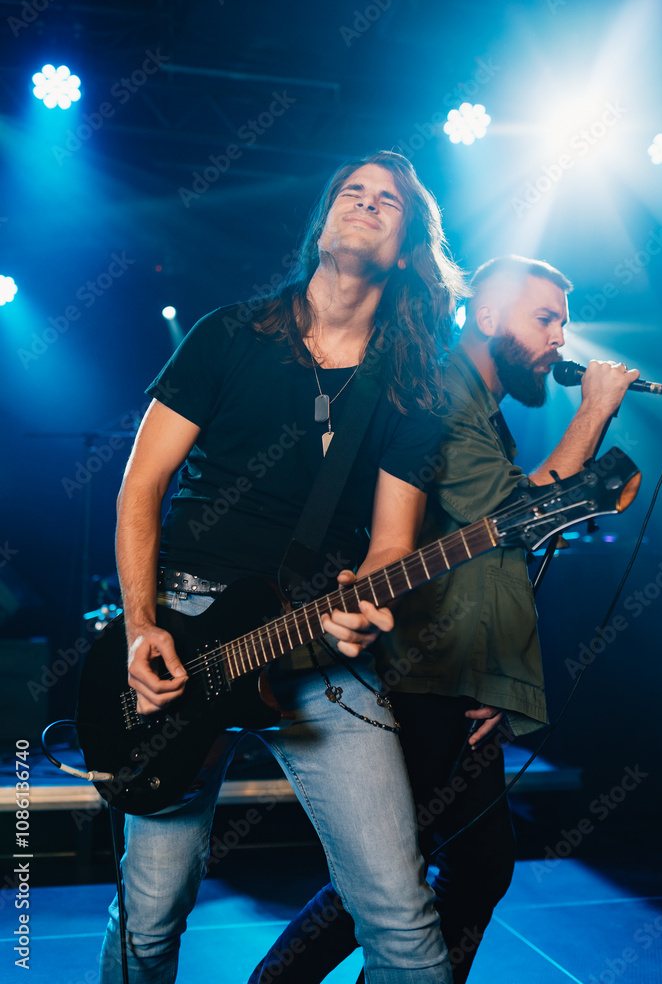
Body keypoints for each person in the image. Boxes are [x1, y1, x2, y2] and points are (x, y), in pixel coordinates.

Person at [99, 150, 470, 984]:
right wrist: (138, 628)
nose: (367, 204)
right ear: (322, 220)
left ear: (410, 243)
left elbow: (390, 543)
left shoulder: (414, 380)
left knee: (399, 911)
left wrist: (366, 602)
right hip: (190, 634)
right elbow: (140, 488)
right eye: (352, 191)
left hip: (314, 649)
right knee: (151, 916)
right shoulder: (230, 334)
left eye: (389, 202)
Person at [248, 254, 640, 984]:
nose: (561, 339)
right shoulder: (440, 393)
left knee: (465, 863)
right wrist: (591, 414)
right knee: (396, 873)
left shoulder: (477, 404)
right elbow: (511, 520)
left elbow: (481, 557)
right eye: (544, 318)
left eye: (563, 322)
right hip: (421, 673)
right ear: (487, 318)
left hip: (458, 670)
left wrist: (493, 677)